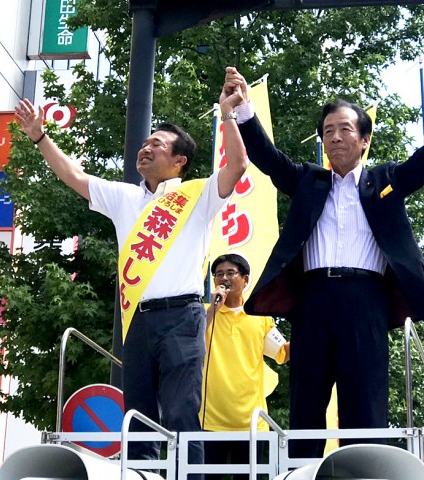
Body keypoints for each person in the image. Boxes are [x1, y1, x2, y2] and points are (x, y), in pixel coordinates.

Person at [221, 66, 424, 458]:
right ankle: (302, 472)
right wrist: (243, 108)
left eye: (345, 129)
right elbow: (267, 157)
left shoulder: (386, 180)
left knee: (365, 403)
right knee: (306, 400)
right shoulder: (308, 181)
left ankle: (362, 471)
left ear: (364, 140)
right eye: (328, 131)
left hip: (367, 301)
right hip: (312, 300)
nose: (334, 137)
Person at [13, 82, 249, 468]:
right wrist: (39, 135)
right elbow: (73, 175)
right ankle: (140, 476)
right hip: (136, 320)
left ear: (179, 160)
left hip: (182, 317)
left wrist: (228, 115)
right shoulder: (125, 197)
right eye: (146, 142)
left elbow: (237, 165)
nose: (146, 147)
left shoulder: (196, 195)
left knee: (181, 414)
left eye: (157, 143)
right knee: (137, 418)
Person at [201, 254, 290, 480]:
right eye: (218, 274)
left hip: (251, 424)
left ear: (245, 279)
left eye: (231, 273)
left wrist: (308, 320)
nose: (224, 278)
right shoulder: (204, 313)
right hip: (209, 422)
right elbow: (190, 340)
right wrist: (213, 308)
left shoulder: (259, 317)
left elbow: (283, 353)